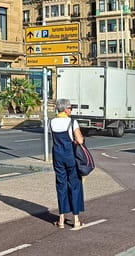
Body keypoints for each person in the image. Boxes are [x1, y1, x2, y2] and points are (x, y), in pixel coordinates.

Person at [50, 98, 85, 230]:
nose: (71, 110)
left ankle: (61, 219)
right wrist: (79, 139)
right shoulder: (72, 122)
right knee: (75, 185)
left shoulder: (51, 122)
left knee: (61, 185)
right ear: (65, 109)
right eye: (70, 108)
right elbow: (80, 140)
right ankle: (76, 219)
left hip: (57, 157)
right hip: (70, 157)